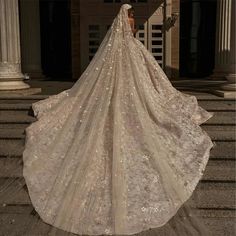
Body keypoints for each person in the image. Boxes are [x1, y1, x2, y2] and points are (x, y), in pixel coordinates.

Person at [20, 3, 215, 236]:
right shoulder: (116, 48)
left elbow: (153, 78)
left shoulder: (135, 47)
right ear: (124, 21)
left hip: (137, 82)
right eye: (130, 20)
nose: (132, 25)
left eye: (133, 20)